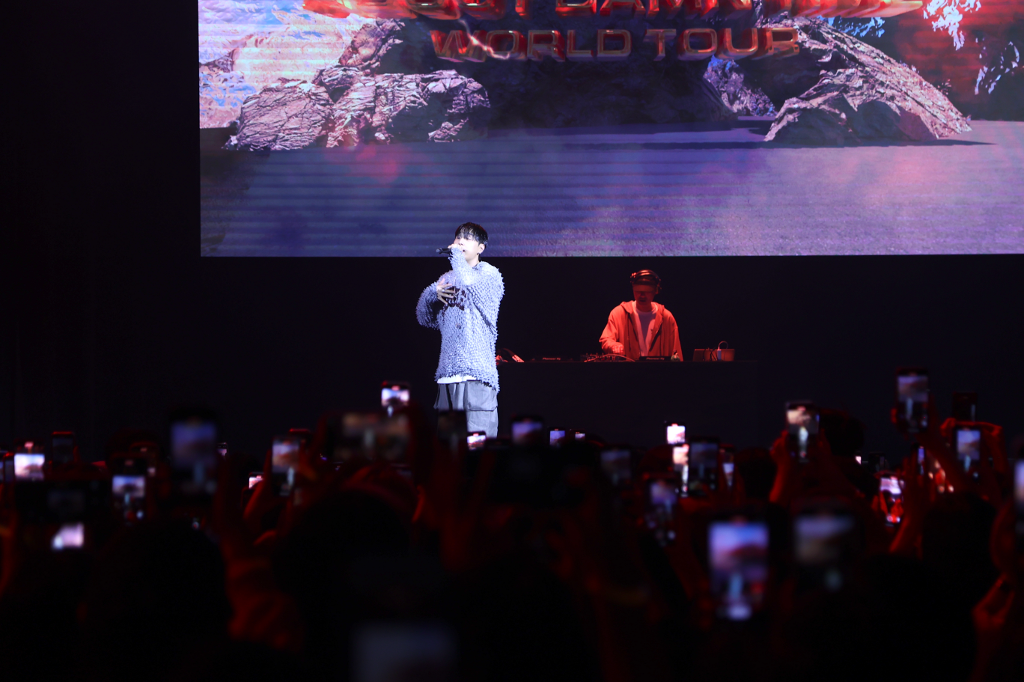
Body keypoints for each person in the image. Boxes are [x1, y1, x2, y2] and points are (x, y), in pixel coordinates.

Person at [416, 222, 504, 438]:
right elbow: (423, 318)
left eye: (468, 238)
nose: (461, 241)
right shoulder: (447, 279)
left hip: (476, 376)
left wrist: (456, 255)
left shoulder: (489, 274)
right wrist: (432, 293)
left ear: (481, 248)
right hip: (448, 375)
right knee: (450, 448)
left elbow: (470, 283)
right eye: (458, 237)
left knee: (478, 446)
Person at [599, 270, 682, 361]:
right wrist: (613, 345)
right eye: (638, 289)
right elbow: (606, 339)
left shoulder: (666, 318)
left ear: (656, 290)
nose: (642, 295)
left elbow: (676, 355)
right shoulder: (619, 314)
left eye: (647, 290)